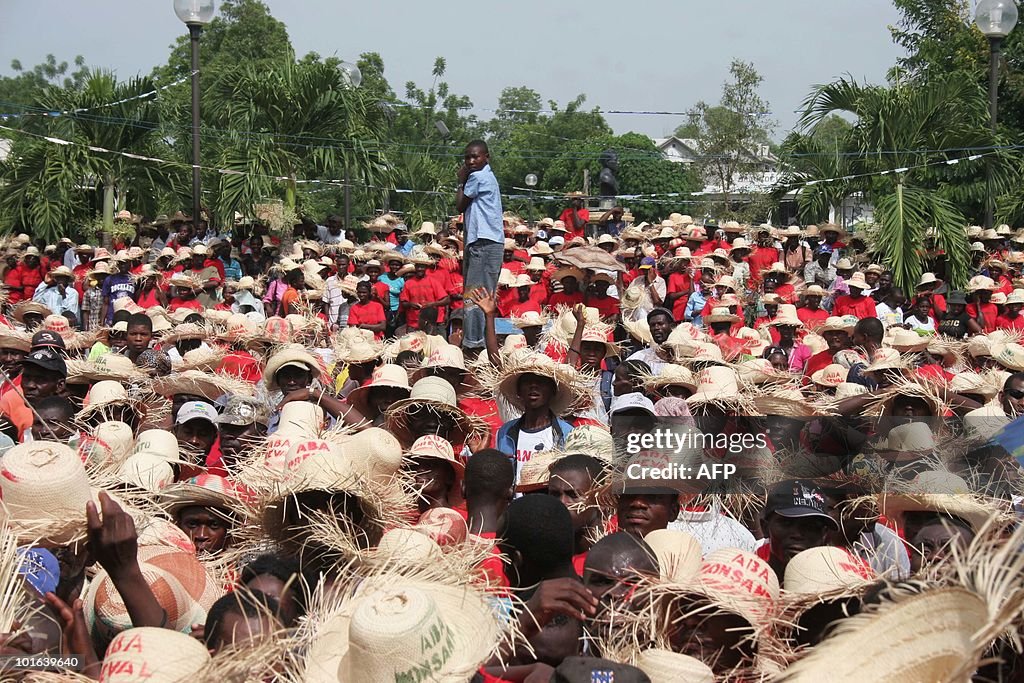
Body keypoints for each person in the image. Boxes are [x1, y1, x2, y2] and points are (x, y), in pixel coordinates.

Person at [457, 140, 504, 351]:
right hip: (486, 242)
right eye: (467, 157)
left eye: (475, 157)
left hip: (483, 243)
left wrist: (460, 181)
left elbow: (459, 204)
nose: (470, 161)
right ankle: (481, 339)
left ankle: (474, 343)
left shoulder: (477, 177)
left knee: (475, 295)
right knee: (483, 293)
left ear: (487, 157)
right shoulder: (488, 176)